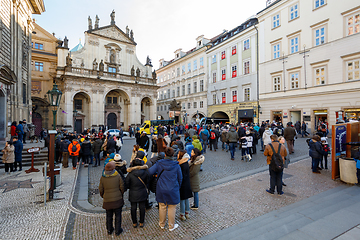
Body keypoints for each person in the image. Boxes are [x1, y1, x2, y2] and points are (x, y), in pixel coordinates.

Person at [148, 147, 182, 231]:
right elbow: (180, 178)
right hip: (173, 188)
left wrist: (156, 175)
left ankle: (162, 224)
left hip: (161, 188)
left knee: (162, 206)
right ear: (173, 155)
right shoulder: (176, 165)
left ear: (165, 154)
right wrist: (177, 187)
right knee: (172, 207)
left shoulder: (159, 163)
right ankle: (171, 226)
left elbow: (150, 172)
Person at [99, 162, 125, 236]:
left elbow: (101, 189)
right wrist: (121, 194)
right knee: (118, 215)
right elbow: (122, 186)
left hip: (107, 200)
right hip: (117, 200)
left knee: (109, 216)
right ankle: (117, 230)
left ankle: (109, 230)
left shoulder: (103, 177)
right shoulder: (117, 176)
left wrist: (103, 196)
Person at [125, 158, 149, 228]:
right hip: (142, 192)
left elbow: (127, 184)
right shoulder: (145, 172)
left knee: (133, 208)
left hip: (133, 192)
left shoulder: (130, 174)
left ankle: (134, 222)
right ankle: (141, 222)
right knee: (142, 207)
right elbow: (147, 182)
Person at [177, 150, 193, 221]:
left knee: (182, 199)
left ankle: (182, 214)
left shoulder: (181, 164)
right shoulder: (186, 162)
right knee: (186, 199)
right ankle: (187, 213)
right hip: (187, 183)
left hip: (183, 183)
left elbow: (180, 176)